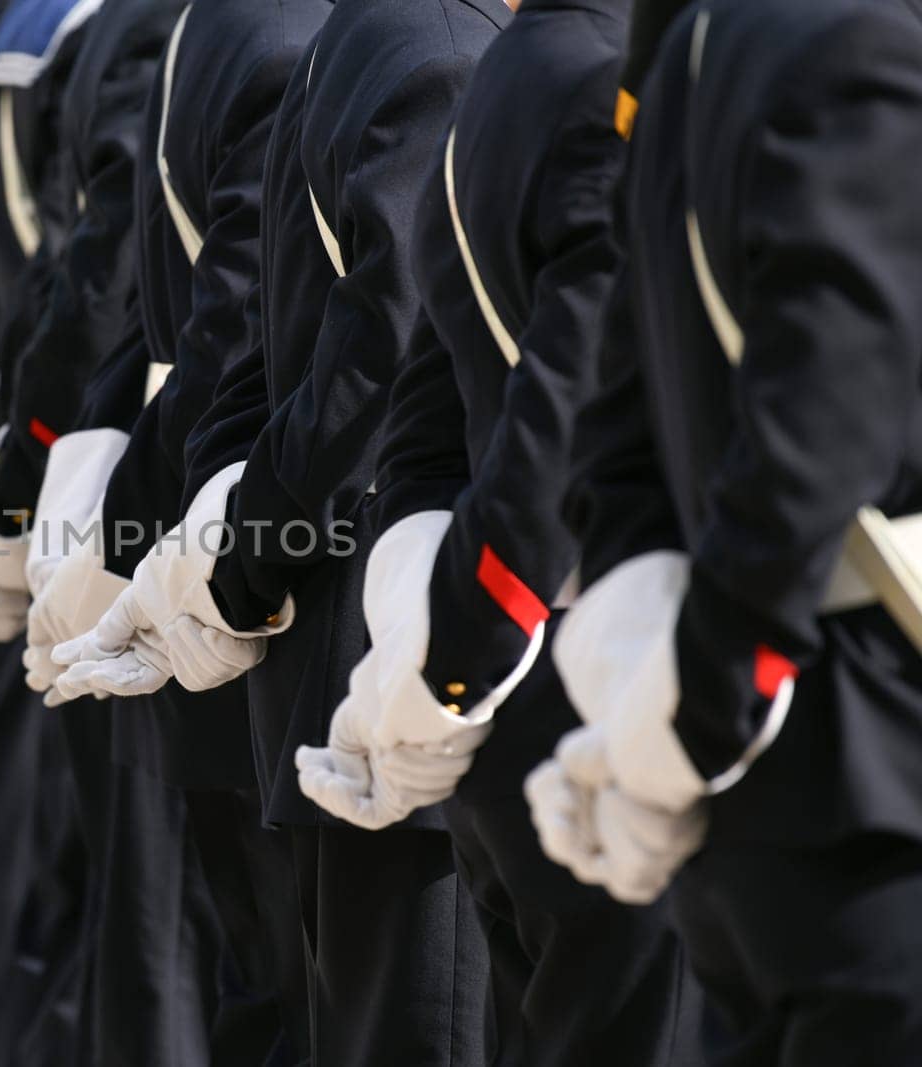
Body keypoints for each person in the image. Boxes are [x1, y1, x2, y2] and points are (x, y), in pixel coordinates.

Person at [55, 0, 508, 1060]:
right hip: (381, 629)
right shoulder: (441, 52)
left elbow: (256, 331)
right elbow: (371, 353)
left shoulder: (353, 32)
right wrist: (232, 558)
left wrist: (221, 535)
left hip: (317, 626)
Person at [296, 0, 706, 1060]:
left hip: (515, 676)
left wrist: (442, 658)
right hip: (601, 679)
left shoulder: (511, 63)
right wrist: (453, 668)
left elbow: (432, 416)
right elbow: (563, 415)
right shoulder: (605, 82)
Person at [526, 0, 922, 1061]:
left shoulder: (702, 44)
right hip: (870, 786)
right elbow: (814, 433)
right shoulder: (864, 44)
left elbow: (614, 436)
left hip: (760, 800)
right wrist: (689, 719)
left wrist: (648, 700)